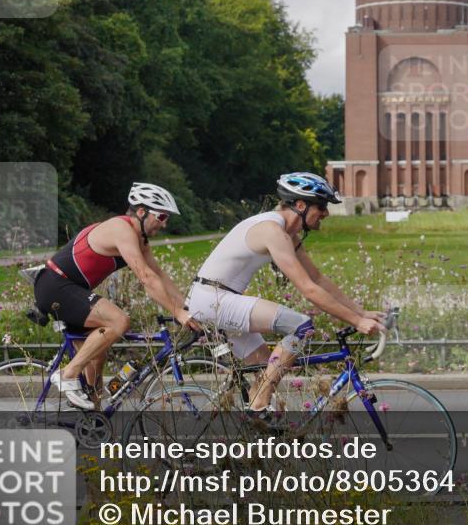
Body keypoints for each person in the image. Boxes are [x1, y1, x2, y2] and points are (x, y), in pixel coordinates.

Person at [187, 172, 386, 418]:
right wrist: (356, 322)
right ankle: (258, 404)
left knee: (266, 370)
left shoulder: (287, 234)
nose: (326, 213)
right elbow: (308, 289)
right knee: (300, 326)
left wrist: (361, 312)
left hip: (217, 299)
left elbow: (318, 278)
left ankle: (255, 441)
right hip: (213, 299)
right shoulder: (273, 231)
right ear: (300, 205)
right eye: (321, 206)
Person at [36, 183, 201, 409]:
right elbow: (145, 277)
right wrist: (177, 313)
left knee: (97, 355)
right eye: (161, 216)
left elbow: (159, 275)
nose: (165, 223)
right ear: (141, 212)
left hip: (70, 288)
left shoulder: (140, 240)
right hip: (55, 285)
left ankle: (93, 420)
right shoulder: (120, 230)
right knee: (119, 321)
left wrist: (188, 309)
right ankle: (68, 374)